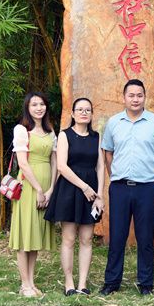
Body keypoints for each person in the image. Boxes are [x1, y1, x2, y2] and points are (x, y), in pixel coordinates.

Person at [99, 79, 154, 296]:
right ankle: (112, 282)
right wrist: (114, 175)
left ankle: (146, 283)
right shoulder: (114, 122)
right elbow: (108, 152)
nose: (135, 99)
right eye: (131, 95)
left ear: (144, 97)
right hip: (120, 188)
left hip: (147, 188)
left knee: (145, 237)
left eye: (139, 95)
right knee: (117, 236)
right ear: (124, 97)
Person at [43, 97, 105, 295]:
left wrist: (100, 194)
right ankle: (69, 282)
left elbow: (100, 166)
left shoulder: (96, 137)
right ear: (73, 113)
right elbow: (62, 166)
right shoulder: (65, 135)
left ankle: (83, 284)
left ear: (92, 114)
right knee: (69, 238)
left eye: (87, 110)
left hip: (91, 193)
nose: (84, 113)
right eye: (80, 109)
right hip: (70, 189)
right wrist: (84, 187)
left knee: (87, 239)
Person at [8, 91, 57, 297]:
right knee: (24, 235)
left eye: (42, 104)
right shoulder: (22, 130)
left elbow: (54, 161)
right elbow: (23, 163)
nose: (39, 108)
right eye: (34, 105)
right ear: (27, 108)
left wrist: (51, 189)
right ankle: (24, 284)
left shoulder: (50, 131)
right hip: (29, 187)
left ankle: (31, 282)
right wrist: (38, 190)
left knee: (35, 235)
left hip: (46, 186)